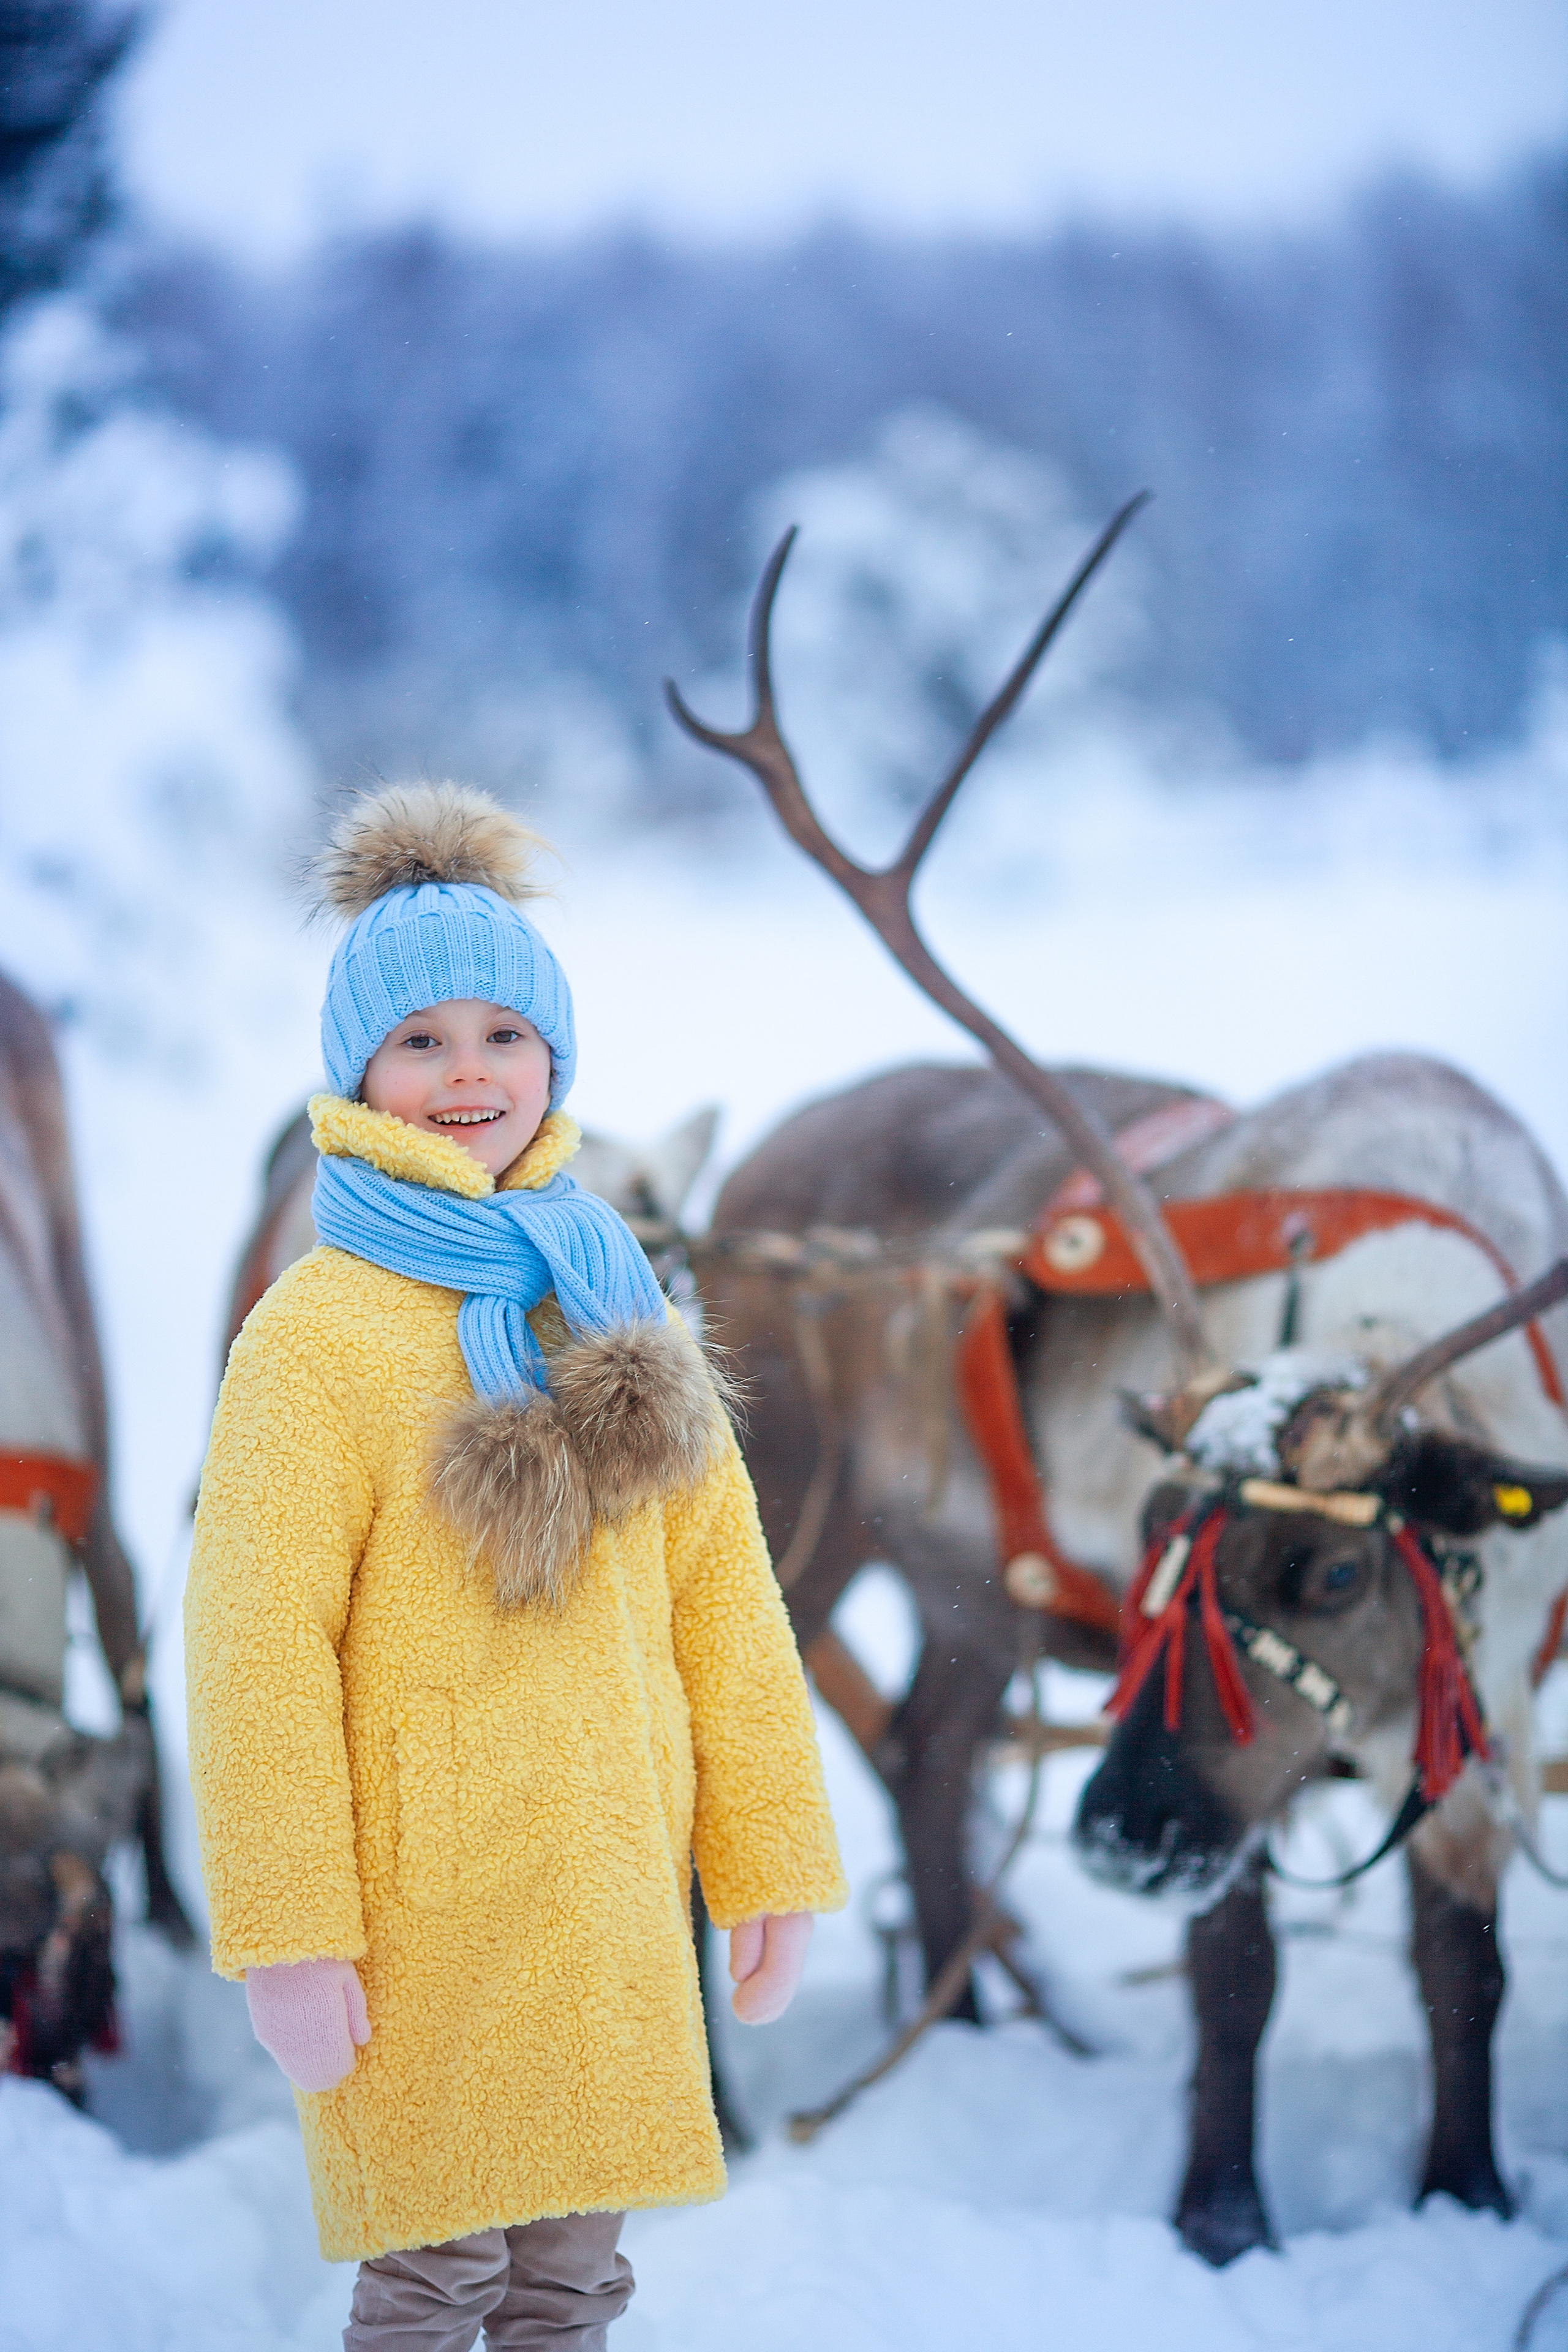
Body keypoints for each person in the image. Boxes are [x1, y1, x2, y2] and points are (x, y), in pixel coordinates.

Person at [184, 783, 846, 2352]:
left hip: (606, 1897)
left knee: (573, 2283)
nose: (464, 1072)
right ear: (357, 1074)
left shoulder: (611, 1304)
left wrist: (766, 1865)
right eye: (418, 1042)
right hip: (419, 1916)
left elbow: (722, 1609)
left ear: (554, 1059)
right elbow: (255, 1648)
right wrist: (289, 1928)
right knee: (433, 2278)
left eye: (500, 1034)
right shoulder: (314, 1337)